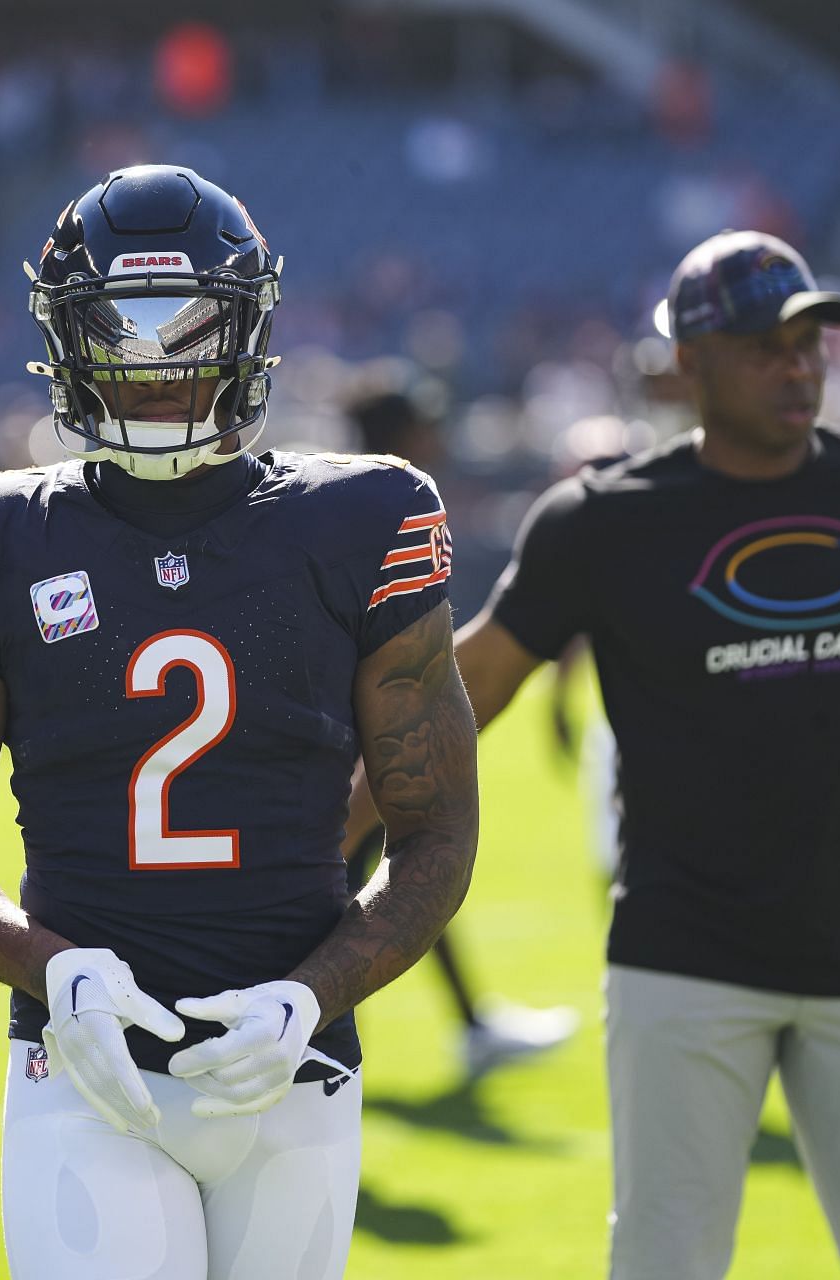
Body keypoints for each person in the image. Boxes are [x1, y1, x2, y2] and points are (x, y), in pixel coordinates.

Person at [347, 229, 840, 1279]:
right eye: (763, 345)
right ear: (688, 364)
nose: (797, 365)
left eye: (811, 342)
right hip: (684, 956)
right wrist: (334, 824)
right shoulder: (602, 520)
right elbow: (472, 680)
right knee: (665, 1260)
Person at [0, 165, 480, 1280]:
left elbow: (437, 832)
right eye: (121, 327)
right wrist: (48, 969)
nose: (156, 360)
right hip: (85, 1068)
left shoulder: (368, 517)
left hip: (295, 1064)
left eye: (188, 324)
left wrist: (314, 992)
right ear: (67, 337)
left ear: (248, 327)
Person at [340, 386, 577, 1076]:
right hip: (352, 740)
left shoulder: (337, 506)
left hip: (355, 736)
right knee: (357, 889)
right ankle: (321, 1054)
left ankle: (456, 1026)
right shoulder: (378, 510)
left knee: (402, 874)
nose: (438, 438)